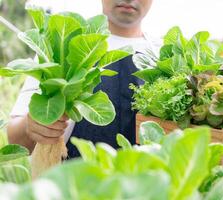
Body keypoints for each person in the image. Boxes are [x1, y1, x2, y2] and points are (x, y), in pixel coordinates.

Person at [7, 0, 161, 158]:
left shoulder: (164, 54)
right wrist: (30, 127)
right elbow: (15, 139)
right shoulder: (61, 44)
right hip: (71, 180)